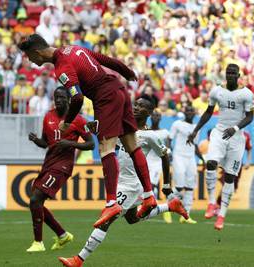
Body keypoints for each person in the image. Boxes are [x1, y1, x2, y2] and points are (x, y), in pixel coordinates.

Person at [18, 34, 157, 228]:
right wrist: (126, 72)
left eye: (29, 57)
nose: (30, 61)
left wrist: (67, 122)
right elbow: (105, 60)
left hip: (105, 97)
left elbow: (77, 99)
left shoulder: (62, 66)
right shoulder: (73, 48)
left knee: (106, 148)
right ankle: (149, 195)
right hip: (119, 90)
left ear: (37, 52)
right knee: (132, 145)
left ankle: (111, 203)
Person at [58, 98, 188, 267]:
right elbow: (109, 136)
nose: (136, 107)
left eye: (141, 106)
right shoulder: (125, 129)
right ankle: (171, 206)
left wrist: (166, 186)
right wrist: (96, 129)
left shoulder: (150, 136)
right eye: (136, 104)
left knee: (105, 220)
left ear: (149, 113)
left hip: (131, 185)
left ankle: (78, 260)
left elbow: (165, 156)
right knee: (132, 218)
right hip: (123, 182)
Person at [26, 87, 94, 252]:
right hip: (49, 163)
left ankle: (38, 243)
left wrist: (71, 143)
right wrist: (36, 140)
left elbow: (91, 144)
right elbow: (46, 142)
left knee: (35, 199)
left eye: (62, 97)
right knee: (36, 203)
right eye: (56, 97)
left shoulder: (78, 120)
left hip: (63, 166)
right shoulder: (48, 116)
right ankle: (62, 235)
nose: (58, 100)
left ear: (69, 100)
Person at [187, 64, 254, 230]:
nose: (231, 75)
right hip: (219, 133)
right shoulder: (217, 91)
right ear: (225, 74)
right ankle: (211, 204)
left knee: (230, 177)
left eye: (233, 73)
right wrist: (196, 130)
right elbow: (209, 112)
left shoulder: (246, 94)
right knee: (210, 163)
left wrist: (236, 128)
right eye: (228, 73)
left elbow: (250, 116)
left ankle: (221, 215)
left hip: (237, 138)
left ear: (238, 75)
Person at [169, 105, 205, 224]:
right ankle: (167, 209)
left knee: (190, 186)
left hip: (191, 158)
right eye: (187, 110)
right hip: (178, 156)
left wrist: (203, 159)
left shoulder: (196, 128)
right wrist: (169, 152)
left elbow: (195, 145)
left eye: (191, 111)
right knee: (179, 186)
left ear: (194, 113)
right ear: (184, 112)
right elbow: (170, 139)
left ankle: (186, 215)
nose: (189, 112)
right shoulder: (177, 124)